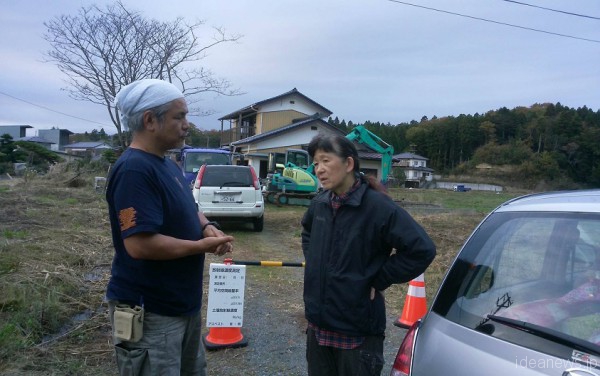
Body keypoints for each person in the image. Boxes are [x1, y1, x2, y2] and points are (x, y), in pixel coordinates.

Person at [105, 79, 233, 376]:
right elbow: (139, 245)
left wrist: (207, 227)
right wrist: (202, 247)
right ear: (150, 120)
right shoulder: (134, 170)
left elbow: (190, 209)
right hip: (150, 310)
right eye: (179, 117)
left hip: (180, 305)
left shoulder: (166, 164)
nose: (187, 124)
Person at [301, 133, 436, 376]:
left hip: (357, 331)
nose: (319, 169)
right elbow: (308, 232)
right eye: (315, 163)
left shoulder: (378, 207)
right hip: (318, 326)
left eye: (325, 161)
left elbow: (421, 249)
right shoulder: (320, 203)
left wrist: (379, 278)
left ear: (349, 163)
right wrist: (314, 263)